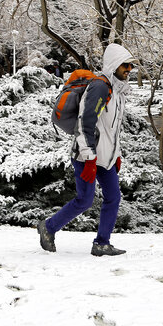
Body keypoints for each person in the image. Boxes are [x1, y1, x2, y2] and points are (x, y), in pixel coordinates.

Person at [38, 43, 134, 256]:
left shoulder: (117, 90)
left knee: (113, 197)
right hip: (86, 154)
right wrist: (89, 158)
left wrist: (116, 155)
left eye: (130, 65)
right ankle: (48, 227)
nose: (129, 69)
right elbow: (85, 124)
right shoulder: (100, 86)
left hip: (105, 157)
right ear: (113, 65)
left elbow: (112, 129)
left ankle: (102, 243)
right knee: (85, 200)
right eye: (125, 65)